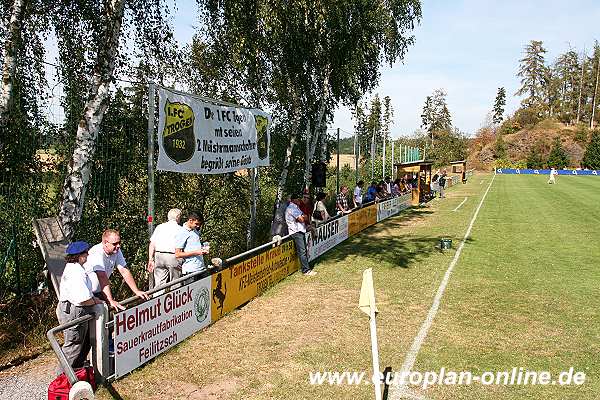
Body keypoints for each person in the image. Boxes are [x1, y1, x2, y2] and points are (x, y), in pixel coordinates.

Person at [57, 241, 103, 374]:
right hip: (74, 311)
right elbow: (83, 299)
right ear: (79, 256)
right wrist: (96, 301)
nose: (88, 254)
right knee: (73, 345)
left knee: (79, 343)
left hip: (71, 308)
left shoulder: (73, 268)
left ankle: (75, 372)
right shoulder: (76, 272)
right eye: (85, 253)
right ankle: (62, 378)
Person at [85, 229, 148, 311]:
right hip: (88, 294)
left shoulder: (116, 250)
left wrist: (136, 291)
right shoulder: (97, 252)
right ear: (105, 242)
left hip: (100, 291)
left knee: (104, 318)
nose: (118, 246)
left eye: (119, 243)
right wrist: (110, 300)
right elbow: (102, 276)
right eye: (115, 244)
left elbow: (124, 270)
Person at [148, 208, 183, 290]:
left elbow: (152, 243)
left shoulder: (160, 227)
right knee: (175, 283)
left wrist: (150, 258)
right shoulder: (180, 229)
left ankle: (157, 300)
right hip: (173, 256)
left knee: (159, 283)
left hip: (159, 255)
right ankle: (174, 300)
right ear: (178, 217)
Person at [285, 194, 315, 276]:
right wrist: (302, 217)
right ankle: (306, 270)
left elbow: (305, 217)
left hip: (300, 231)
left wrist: (303, 217)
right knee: (302, 251)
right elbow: (302, 219)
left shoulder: (296, 207)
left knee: (303, 250)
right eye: (298, 199)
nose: (300, 200)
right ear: (293, 200)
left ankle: (305, 268)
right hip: (296, 232)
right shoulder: (292, 208)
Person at [175, 211, 209, 276]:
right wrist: (196, 252)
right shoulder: (182, 232)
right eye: (196, 224)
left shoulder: (195, 230)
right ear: (190, 220)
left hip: (200, 268)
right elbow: (177, 254)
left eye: (199, 224)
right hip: (190, 271)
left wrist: (203, 250)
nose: (198, 226)